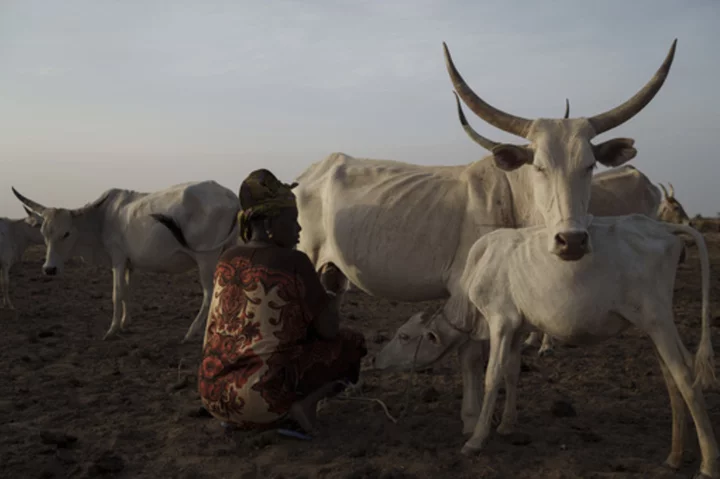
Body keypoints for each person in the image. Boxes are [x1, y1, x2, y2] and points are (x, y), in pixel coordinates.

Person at [198, 168, 367, 436]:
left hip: (213, 395)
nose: (299, 228)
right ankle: (300, 407)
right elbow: (328, 330)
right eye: (292, 220)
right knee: (351, 344)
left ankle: (238, 419)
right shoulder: (294, 262)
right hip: (262, 399)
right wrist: (330, 294)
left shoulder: (226, 258)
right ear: (269, 225)